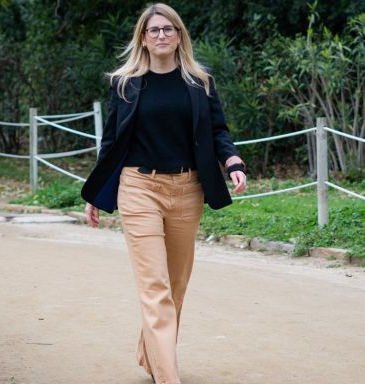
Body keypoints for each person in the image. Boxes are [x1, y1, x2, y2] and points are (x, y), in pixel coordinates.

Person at [80, 3, 247, 384]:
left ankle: (152, 355)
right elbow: (111, 142)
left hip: (187, 190)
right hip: (138, 188)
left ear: (179, 35)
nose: (160, 35)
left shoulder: (199, 82)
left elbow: (218, 131)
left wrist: (233, 161)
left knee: (174, 287)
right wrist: (96, 192)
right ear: (142, 37)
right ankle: (168, 378)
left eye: (168, 29)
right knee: (154, 287)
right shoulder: (125, 84)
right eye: (153, 30)